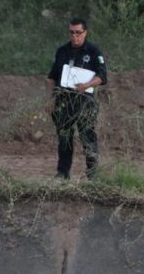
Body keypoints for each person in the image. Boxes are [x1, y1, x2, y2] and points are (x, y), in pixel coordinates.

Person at [46, 18, 108, 180]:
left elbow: (102, 76)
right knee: (64, 137)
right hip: (63, 100)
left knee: (87, 136)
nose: (75, 36)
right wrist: (51, 98)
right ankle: (63, 173)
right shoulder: (62, 51)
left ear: (85, 32)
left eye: (78, 33)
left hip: (85, 101)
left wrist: (87, 84)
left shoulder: (94, 51)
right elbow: (52, 77)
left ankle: (93, 174)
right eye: (72, 33)